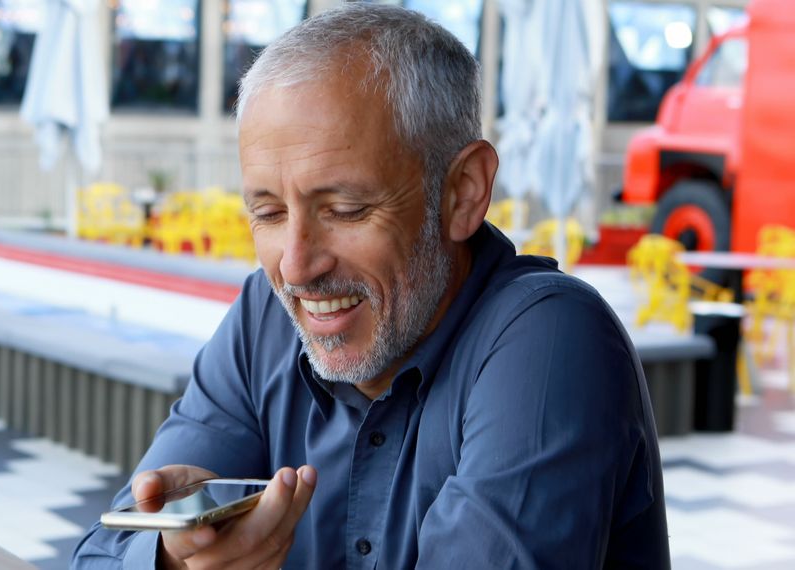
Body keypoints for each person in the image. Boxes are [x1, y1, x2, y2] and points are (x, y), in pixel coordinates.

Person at [73, 4, 670, 568]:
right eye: (270, 214)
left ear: (463, 191)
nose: (298, 267)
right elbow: (102, 550)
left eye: (346, 208)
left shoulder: (551, 338)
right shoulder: (266, 315)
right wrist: (175, 558)